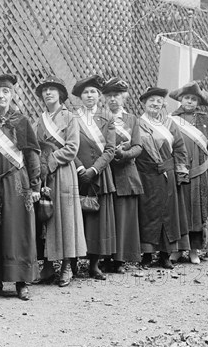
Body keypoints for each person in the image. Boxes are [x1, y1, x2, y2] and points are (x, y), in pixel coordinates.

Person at [0, 74, 41, 300]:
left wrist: (35, 186)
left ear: (11, 95)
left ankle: (21, 280)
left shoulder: (21, 120)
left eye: (5, 92)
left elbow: (32, 154)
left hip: (17, 181)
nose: (1, 96)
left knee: (19, 228)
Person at [33, 76, 86, 287]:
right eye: (45, 90)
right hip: (44, 174)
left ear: (60, 94)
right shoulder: (39, 119)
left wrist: (51, 160)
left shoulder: (70, 118)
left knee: (65, 217)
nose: (48, 93)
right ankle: (46, 265)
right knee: (44, 217)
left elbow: (72, 148)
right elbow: (36, 146)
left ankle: (66, 265)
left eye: (52, 89)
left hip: (63, 171)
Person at [136, 87, 189, 269]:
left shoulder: (170, 124)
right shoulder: (137, 123)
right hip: (145, 174)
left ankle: (165, 255)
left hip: (167, 175)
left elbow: (180, 148)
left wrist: (181, 172)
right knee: (147, 214)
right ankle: (147, 255)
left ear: (163, 104)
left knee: (168, 214)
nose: (155, 104)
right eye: (151, 101)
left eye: (159, 101)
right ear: (143, 103)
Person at [169, 81, 208, 264]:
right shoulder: (171, 120)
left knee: (199, 213)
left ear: (198, 101)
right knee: (180, 212)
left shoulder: (207, 121)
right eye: (186, 98)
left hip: (201, 173)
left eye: (193, 98)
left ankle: (193, 251)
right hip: (180, 172)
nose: (189, 101)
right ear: (180, 100)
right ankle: (178, 250)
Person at [71, 75, 116, 280]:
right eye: (85, 92)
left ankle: (94, 265)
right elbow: (68, 144)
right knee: (76, 217)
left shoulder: (107, 118)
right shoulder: (72, 118)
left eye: (93, 92)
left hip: (99, 175)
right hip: (77, 173)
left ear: (99, 96)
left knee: (98, 220)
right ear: (80, 97)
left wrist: (94, 170)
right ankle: (72, 263)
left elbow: (110, 149)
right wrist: (80, 168)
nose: (89, 95)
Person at [103, 78, 142, 272]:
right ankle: (104, 257)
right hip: (105, 172)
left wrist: (124, 154)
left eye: (116, 95)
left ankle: (119, 260)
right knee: (106, 217)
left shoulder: (131, 119)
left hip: (126, 173)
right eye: (108, 95)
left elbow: (138, 146)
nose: (112, 99)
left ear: (124, 97)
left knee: (124, 217)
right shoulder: (97, 119)